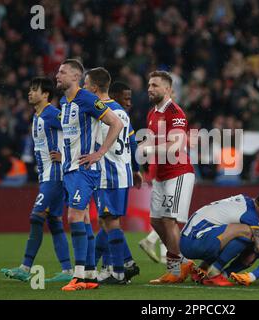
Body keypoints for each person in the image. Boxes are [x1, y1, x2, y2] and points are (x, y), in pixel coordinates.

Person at [56, 59, 123, 291]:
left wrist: (100, 152)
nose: (57, 75)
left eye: (62, 72)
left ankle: (78, 276)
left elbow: (115, 123)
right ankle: (90, 275)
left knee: (74, 217)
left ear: (76, 77)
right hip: (70, 169)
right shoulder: (64, 101)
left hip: (85, 170)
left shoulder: (87, 99)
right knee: (82, 219)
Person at [0, 77, 73, 283]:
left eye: (34, 90)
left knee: (36, 216)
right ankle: (67, 270)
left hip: (55, 175)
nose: (30, 93)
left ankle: (25, 267)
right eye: (30, 89)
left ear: (45, 95)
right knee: (54, 221)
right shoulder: (37, 116)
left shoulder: (51, 114)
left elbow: (75, 132)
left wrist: (66, 157)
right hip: (46, 176)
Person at [83, 69, 141, 284]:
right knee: (107, 221)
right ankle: (109, 266)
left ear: (95, 88)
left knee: (110, 221)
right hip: (123, 172)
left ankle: (119, 270)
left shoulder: (101, 112)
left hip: (108, 174)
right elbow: (132, 143)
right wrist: (135, 169)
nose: (83, 88)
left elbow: (96, 144)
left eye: (86, 84)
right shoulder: (121, 112)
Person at [139, 71, 195, 284]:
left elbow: (177, 146)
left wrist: (148, 146)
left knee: (169, 220)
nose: (150, 88)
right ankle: (183, 262)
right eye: (149, 85)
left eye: (154, 85)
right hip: (162, 176)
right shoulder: (152, 113)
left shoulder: (175, 112)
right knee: (155, 220)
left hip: (178, 173)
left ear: (167, 89)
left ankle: (175, 269)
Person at [180, 189, 259, 286]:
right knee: (248, 232)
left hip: (188, 239)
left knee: (233, 234)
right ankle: (214, 273)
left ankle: (201, 270)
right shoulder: (249, 215)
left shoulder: (244, 200)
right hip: (194, 243)